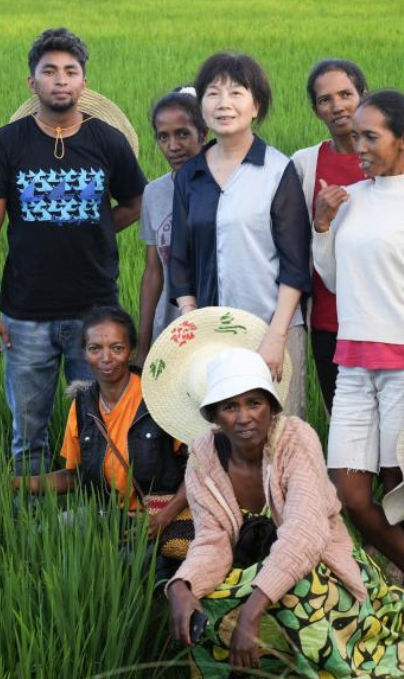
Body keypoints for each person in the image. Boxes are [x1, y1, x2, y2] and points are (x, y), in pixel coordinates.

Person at [163, 348, 404, 679]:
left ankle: (322, 653)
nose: (244, 417)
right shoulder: (203, 455)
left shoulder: (296, 439)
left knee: (296, 589)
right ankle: (267, 655)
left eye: (254, 403)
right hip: (255, 569)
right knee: (202, 601)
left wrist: (250, 613)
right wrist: (181, 587)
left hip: (320, 567)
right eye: (230, 407)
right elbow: (211, 539)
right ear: (215, 415)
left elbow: (304, 534)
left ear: (271, 406)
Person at [0, 28, 147, 485]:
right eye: (49, 71)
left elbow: (135, 203)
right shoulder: (6, 144)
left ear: (84, 83)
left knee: (100, 419)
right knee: (28, 424)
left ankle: (96, 501)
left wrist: (97, 227)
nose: (60, 80)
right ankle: (27, 505)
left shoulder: (108, 142)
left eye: (71, 71)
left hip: (95, 310)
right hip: (25, 312)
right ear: (33, 84)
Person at [312, 90, 404, 622]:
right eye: (356, 136)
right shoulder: (351, 197)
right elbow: (331, 278)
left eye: (371, 137)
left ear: (403, 140)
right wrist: (323, 226)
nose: (359, 146)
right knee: (349, 490)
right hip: (352, 365)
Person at [168, 52, 313, 419]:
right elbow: (181, 259)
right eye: (213, 93)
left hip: (271, 326)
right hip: (210, 334)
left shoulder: (278, 170)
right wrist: (192, 322)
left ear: (256, 106)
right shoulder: (191, 175)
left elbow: (295, 264)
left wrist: (277, 336)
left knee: (279, 434)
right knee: (216, 437)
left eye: (236, 93)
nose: (224, 103)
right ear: (201, 105)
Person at [0, 307, 190, 565]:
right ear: (84, 353)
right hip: (108, 512)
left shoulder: (157, 399)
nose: (106, 357)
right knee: (39, 537)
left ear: (131, 351)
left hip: (158, 516)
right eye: (95, 348)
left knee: (125, 565)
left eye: (117, 348)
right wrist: (7, 481)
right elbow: (74, 477)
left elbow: (197, 468)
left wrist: (164, 516)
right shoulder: (83, 405)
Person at [290, 59, 369, 417]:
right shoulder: (304, 164)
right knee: (345, 427)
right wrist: (320, 220)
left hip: (385, 323)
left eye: (345, 94)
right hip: (329, 321)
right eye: (325, 100)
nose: (337, 105)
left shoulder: (395, 162)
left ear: (363, 96)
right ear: (315, 110)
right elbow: (288, 243)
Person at [137, 88, 208, 362]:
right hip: (169, 332)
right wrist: (143, 346)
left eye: (182, 134)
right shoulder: (154, 193)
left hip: (216, 328)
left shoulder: (224, 188)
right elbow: (153, 272)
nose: (173, 146)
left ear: (203, 133)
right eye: (163, 137)